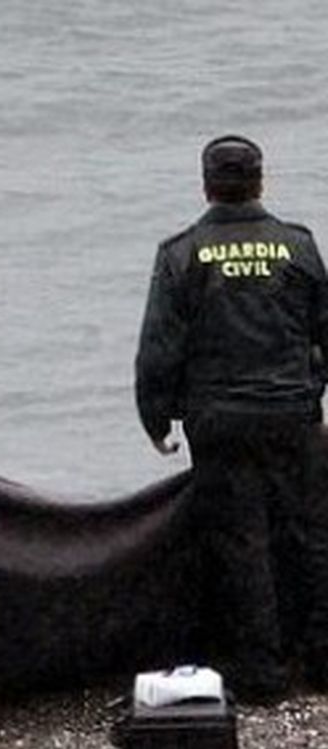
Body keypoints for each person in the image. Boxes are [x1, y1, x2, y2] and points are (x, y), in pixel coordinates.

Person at [135, 135, 328, 704]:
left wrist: (156, 418)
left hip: (220, 420)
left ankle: (262, 674)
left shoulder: (181, 254)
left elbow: (160, 348)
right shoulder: (298, 246)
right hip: (292, 413)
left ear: (206, 186)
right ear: (260, 182)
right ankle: (320, 662)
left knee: (240, 543)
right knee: (308, 536)